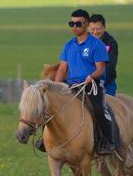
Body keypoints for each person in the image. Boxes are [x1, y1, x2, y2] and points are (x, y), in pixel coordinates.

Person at [40, 9, 115, 155]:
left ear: (86, 24)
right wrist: (56, 86)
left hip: (92, 84)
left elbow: (101, 69)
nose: (74, 26)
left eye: (78, 23)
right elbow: (62, 69)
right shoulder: (68, 45)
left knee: (98, 109)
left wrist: (91, 76)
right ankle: (44, 140)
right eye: (71, 23)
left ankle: (106, 141)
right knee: (49, 104)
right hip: (72, 84)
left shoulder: (97, 45)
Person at [89, 14, 118, 96]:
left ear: (104, 27)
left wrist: (98, 79)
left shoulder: (111, 43)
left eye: (98, 29)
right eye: (92, 29)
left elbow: (110, 66)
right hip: (86, 81)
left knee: (106, 102)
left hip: (106, 83)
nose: (95, 32)